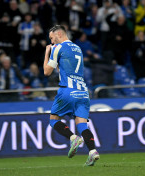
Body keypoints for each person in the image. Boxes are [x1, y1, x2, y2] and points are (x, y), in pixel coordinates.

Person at [43, 25, 100, 166]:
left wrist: (47, 52)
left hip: (67, 91)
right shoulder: (77, 48)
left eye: (52, 38)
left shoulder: (56, 48)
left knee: (53, 120)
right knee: (82, 126)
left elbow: (46, 72)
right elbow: (62, 67)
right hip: (83, 92)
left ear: (59, 34)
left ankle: (73, 138)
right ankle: (93, 152)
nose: (51, 42)